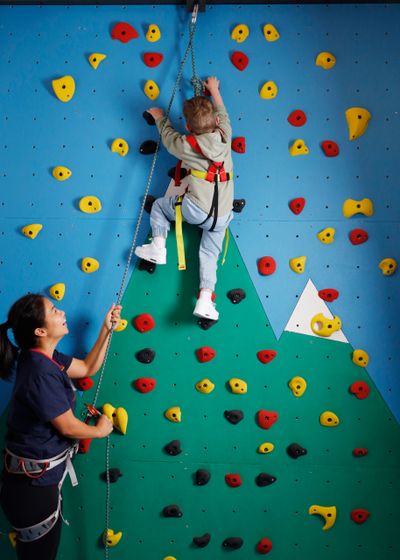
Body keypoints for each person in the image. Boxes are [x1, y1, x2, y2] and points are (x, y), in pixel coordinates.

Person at [0, 293, 121, 560]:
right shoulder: (39, 371)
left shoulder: (45, 358)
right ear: (41, 330)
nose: (62, 312)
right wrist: (100, 430)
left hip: (35, 483)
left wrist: (105, 329)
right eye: (54, 310)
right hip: (32, 489)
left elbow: (88, 367)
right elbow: (67, 427)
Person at [135, 76, 234, 321]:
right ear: (216, 122)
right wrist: (214, 91)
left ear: (189, 128)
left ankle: (158, 247)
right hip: (222, 217)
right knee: (209, 254)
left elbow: (168, 138)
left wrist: (159, 117)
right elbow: (222, 111)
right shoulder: (225, 135)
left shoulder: (185, 145)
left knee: (159, 206)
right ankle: (205, 298)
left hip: (196, 210)